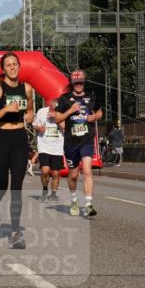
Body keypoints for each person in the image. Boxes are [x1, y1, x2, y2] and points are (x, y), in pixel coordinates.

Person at [0, 52, 36, 250]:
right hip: (1, 138)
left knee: (16, 187)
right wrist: (5, 110)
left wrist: (29, 115)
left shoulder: (27, 88)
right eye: (8, 65)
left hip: (19, 138)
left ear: (19, 66)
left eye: (15, 64)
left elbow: (30, 109)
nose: (12, 67)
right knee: (2, 185)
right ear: (3, 69)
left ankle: (15, 232)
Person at [56, 70, 102, 217]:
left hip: (86, 140)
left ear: (84, 82)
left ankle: (88, 204)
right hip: (71, 142)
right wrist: (70, 110)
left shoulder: (91, 97)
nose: (78, 85)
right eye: (76, 83)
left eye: (80, 82)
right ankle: (74, 200)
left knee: (87, 170)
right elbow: (57, 118)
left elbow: (99, 112)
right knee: (73, 175)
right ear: (72, 83)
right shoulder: (64, 99)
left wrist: (94, 117)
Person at [33, 98, 65, 202]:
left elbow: (64, 127)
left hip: (57, 147)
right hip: (44, 146)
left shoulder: (62, 113)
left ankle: (53, 194)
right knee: (45, 170)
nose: (54, 108)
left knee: (56, 173)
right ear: (49, 104)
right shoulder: (41, 111)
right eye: (52, 106)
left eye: (56, 107)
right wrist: (39, 128)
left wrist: (56, 117)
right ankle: (45, 189)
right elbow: (34, 124)